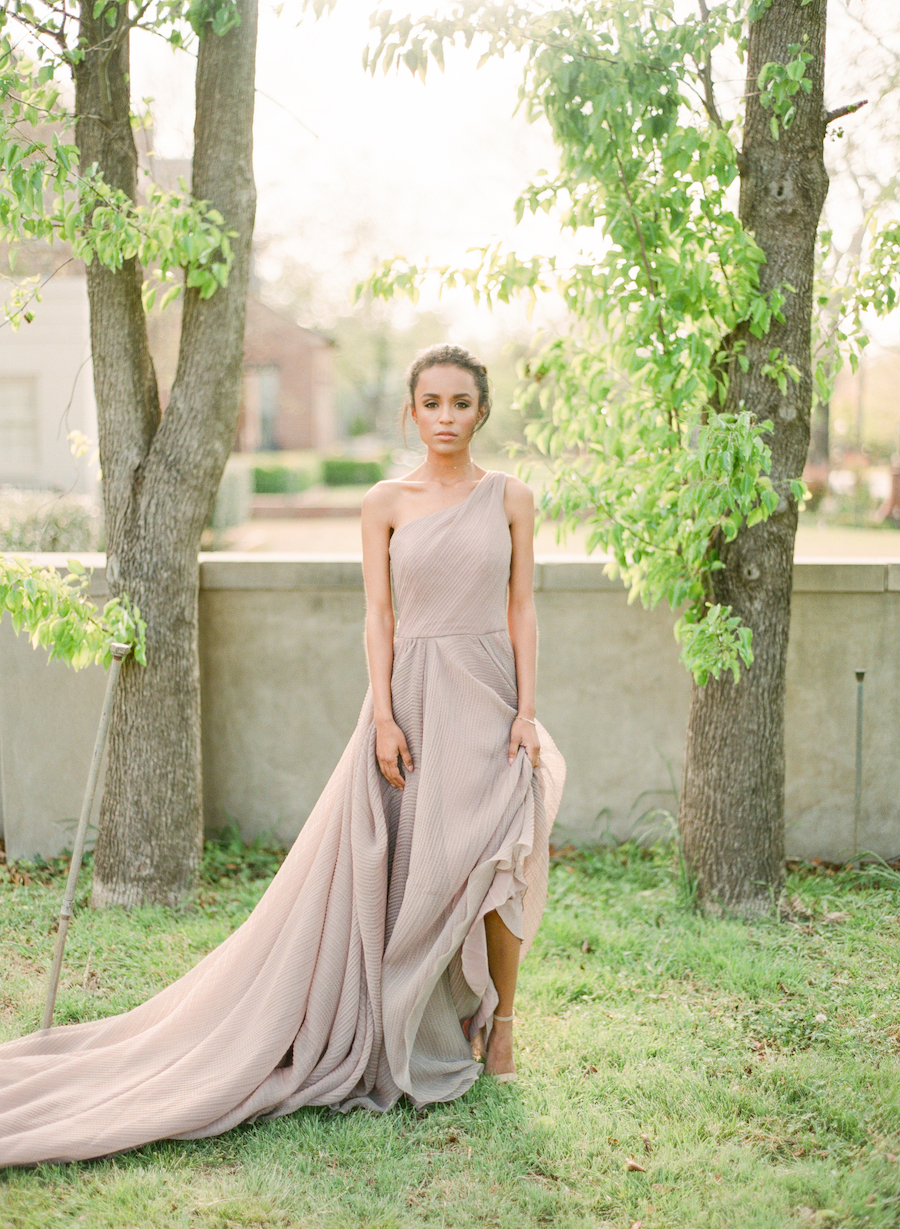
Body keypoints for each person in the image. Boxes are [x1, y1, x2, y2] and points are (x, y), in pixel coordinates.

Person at [0, 343, 565, 1168]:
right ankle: (402, 1019)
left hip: (487, 698)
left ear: (482, 410)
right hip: (410, 697)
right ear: (412, 411)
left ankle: (501, 1025)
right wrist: (382, 715)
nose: (446, 417)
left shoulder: (513, 498)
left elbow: (523, 608)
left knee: (506, 854)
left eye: (462, 403)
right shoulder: (385, 503)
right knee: (414, 866)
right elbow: (378, 615)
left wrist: (526, 710)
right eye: (432, 402)